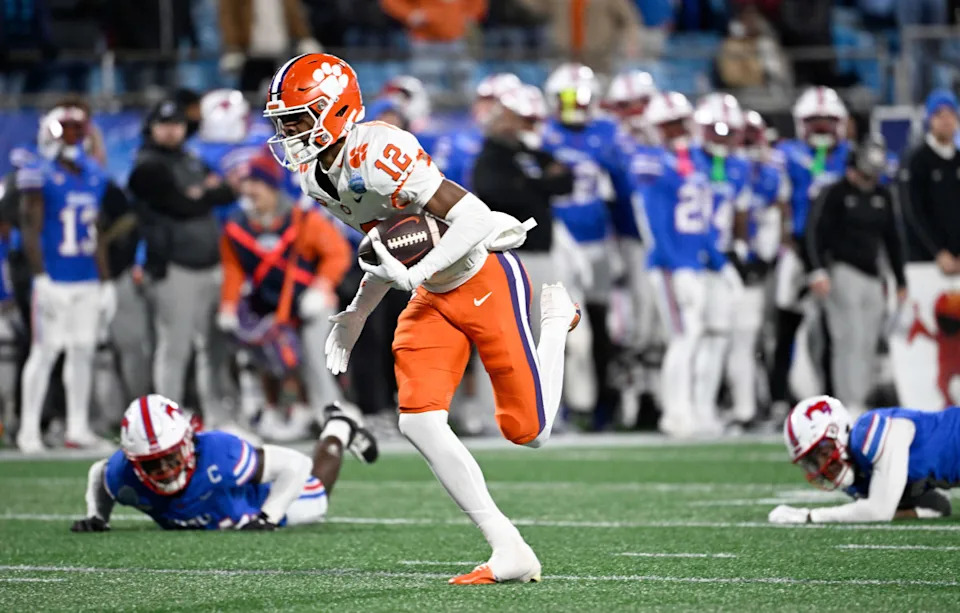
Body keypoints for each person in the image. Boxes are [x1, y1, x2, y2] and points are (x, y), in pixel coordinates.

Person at [264, 53, 580, 584]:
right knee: (418, 421)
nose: (289, 131)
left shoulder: (379, 149)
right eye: (283, 121)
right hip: (432, 291)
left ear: (336, 109)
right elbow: (385, 248)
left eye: (298, 117)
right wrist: (358, 312)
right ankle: (509, 548)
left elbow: (474, 217)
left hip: (483, 279)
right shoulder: (316, 179)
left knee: (531, 432)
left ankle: (556, 325)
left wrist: (419, 273)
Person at [70, 393, 377, 532]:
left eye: (170, 458)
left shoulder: (219, 453)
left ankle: (339, 426)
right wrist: (98, 516)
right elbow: (100, 474)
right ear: (135, 463)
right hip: (220, 512)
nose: (165, 470)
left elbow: (295, 465)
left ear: (188, 444)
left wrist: (268, 516)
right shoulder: (123, 474)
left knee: (317, 497)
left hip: (258, 498)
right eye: (153, 464)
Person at [16, 104, 126, 453]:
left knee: (83, 350)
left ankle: (77, 426)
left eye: (80, 130)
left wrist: (106, 280)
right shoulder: (38, 172)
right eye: (69, 130)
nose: (76, 137)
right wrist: (40, 277)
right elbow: (29, 228)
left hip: (87, 277)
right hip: (56, 276)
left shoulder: (93, 172)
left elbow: (96, 231)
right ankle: (28, 430)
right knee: (46, 351)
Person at [218, 154, 351, 435]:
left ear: (272, 187)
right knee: (263, 359)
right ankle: (275, 413)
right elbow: (233, 268)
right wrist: (229, 305)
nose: (250, 190)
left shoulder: (302, 220)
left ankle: (330, 412)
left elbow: (338, 252)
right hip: (267, 305)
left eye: (257, 183)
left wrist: (322, 286)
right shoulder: (236, 226)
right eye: (247, 183)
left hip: (308, 303)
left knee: (315, 356)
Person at [635, 91, 739, 438]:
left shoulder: (694, 159)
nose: (676, 129)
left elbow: (706, 218)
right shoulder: (650, 161)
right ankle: (675, 413)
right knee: (683, 337)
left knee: (705, 337)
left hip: (697, 263)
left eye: (680, 121)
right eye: (668, 124)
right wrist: (678, 265)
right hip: (671, 264)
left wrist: (718, 261)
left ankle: (698, 409)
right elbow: (655, 224)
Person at [127, 99, 237, 427]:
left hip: (209, 264)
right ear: (152, 127)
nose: (171, 130)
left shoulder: (190, 159)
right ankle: (166, 419)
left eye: (176, 123)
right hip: (174, 266)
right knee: (174, 348)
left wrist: (198, 194)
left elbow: (226, 193)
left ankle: (218, 415)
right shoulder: (147, 165)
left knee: (214, 349)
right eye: (164, 124)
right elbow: (179, 205)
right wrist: (202, 194)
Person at [542, 62, 625, 419]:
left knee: (603, 323)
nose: (576, 105)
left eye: (584, 97)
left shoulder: (608, 132)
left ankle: (601, 404)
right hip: (561, 242)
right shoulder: (544, 133)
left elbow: (621, 188)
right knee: (565, 327)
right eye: (569, 98)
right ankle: (568, 405)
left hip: (599, 240)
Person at [804, 135, 908, 416]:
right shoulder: (835, 193)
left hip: (873, 276)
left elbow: (892, 239)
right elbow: (814, 232)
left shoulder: (883, 196)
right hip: (842, 271)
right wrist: (817, 270)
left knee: (867, 341)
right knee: (846, 339)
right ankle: (846, 401)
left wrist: (900, 279)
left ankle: (861, 400)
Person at [770, 86, 851, 414]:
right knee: (785, 325)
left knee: (834, 330)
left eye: (827, 121)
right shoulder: (787, 155)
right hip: (797, 249)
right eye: (814, 121)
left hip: (837, 253)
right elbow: (779, 203)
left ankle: (833, 396)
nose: (821, 128)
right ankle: (778, 395)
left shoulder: (850, 155)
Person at [472, 83, 574, 340]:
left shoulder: (530, 153)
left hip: (543, 253)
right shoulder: (491, 156)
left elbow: (566, 181)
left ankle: (540, 382)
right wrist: (541, 184)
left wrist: (529, 184)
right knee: (503, 335)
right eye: (524, 119)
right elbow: (500, 192)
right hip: (508, 255)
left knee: (546, 334)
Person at [768, 395, 953, 523]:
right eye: (812, 460)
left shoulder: (867, 433)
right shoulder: (864, 476)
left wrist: (811, 516)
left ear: (839, 431)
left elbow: (878, 511)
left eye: (823, 451)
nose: (822, 465)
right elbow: (940, 506)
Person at [690, 93, 750, 432]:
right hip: (693, 260)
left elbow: (740, 211)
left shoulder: (739, 167)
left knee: (719, 336)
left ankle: (706, 407)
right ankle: (688, 407)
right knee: (694, 337)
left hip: (721, 260)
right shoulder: (688, 161)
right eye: (715, 130)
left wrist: (739, 248)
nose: (721, 138)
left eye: (728, 132)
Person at [729, 110, 788, 427]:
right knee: (741, 337)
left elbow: (778, 216)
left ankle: (761, 403)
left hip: (762, 264)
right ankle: (744, 407)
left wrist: (766, 254)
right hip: (730, 263)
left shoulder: (770, 172)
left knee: (762, 336)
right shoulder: (725, 168)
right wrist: (738, 253)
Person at [901, 90, 960, 271]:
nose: (946, 120)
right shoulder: (916, 160)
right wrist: (938, 252)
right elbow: (913, 211)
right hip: (925, 263)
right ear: (929, 120)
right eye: (939, 114)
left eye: (950, 114)